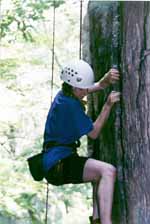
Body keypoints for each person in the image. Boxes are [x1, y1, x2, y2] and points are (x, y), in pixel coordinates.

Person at [42, 59, 120, 224]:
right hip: (59, 162)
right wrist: (107, 105)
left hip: (56, 162)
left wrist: (104, 82)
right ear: (74, 87)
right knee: (108, 171)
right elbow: (94, 133)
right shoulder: (69, 105)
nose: (86, 91)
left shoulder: (64, 94)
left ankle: (97, 220)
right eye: (83, 88)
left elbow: (89, 87)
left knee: (99, 175)